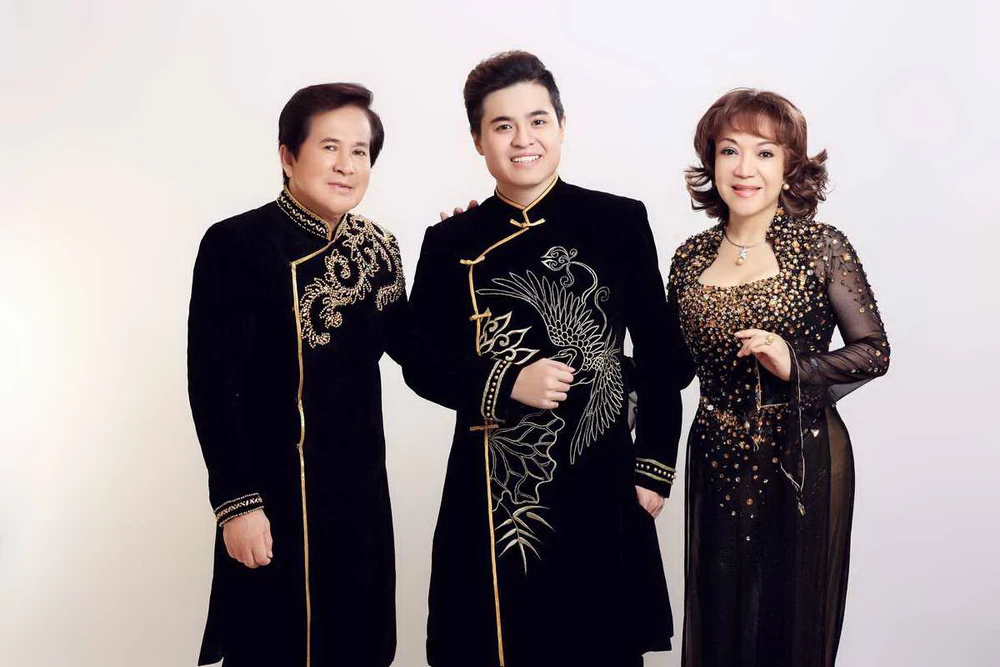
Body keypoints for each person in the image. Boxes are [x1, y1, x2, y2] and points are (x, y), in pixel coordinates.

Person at [404, 50, 691, 667]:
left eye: (538, 121)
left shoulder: (618, 220)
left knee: (597, 644)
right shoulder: (450, 241)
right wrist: (507, 380)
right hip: (494, 488)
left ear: (562, 125)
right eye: (502, 126)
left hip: (601, 478)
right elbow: (420, 362)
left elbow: (663, 354)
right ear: (478, 140)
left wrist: (653, 467)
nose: (523, 140)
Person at [669, 88, 890, 666]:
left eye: (765, 153)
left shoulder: (822, 246)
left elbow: (873, 352)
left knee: (787, 623)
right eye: (729, 151)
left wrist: (798, 365)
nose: (745, 169)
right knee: (720, 615)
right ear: (711, 161)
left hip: (801, 455)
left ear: (791, 164)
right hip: (716, 455)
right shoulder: (689, 257)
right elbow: (669, 366)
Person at [188, 83, 405, 667]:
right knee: (274, 643)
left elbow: (418, 351)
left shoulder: (378, 248)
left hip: (358, 500)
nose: (346, 165)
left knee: (358, 644)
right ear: (289, 156)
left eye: (360, 152)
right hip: (273, 497)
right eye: (329, 147)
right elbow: (213, 385)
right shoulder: (237, 243)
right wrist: (236, 503)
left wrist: (458, 256)